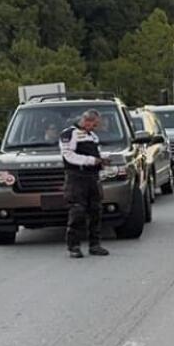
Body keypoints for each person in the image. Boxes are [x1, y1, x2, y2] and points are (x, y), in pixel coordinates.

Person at [59, 109, 109, 258]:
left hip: (92, 177)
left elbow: (96, 154)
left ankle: (95, 244)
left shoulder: (92, 136)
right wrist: (91, 160)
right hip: (76, 177)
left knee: (96, 210)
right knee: (77, 210)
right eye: (94, 124)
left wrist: (102, 160)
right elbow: (69, 156)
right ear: (86, 121)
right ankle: (73, 245)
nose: (95, 128)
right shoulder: (69, 134)